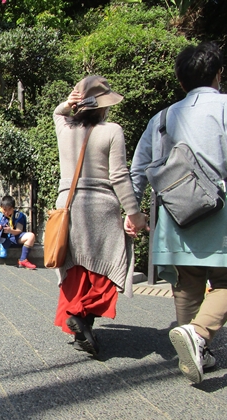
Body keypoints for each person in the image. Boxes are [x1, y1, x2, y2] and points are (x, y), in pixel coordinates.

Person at [127, 42, 227, 384]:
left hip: (175, 213)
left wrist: (133, 212)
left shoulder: (161, 118)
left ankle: (195, 352)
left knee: (187, 282)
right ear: (218, 74)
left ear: (181, 81)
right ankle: (199, 335)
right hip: (223, 210)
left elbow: (138, 170)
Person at [52, 76, 147, 355]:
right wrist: (134, 213)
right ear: (104, 106)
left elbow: (58, 113)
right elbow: (119, 175)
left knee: (75, 269)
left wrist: (68, 103)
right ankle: (82, 318)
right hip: (101, 208)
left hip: (68, 206)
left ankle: (80, 322)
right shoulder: (112, 130)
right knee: (104, 269)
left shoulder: (65, 128)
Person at [0, 195, 37, 269]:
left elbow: (19, 230)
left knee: (31, 236)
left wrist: (10, 230)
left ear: (13, 208)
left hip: (13, 239)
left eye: (9, 209)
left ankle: (23, 260)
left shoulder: (18, 215)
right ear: (1, 207)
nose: (6, 212)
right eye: (4, 209)